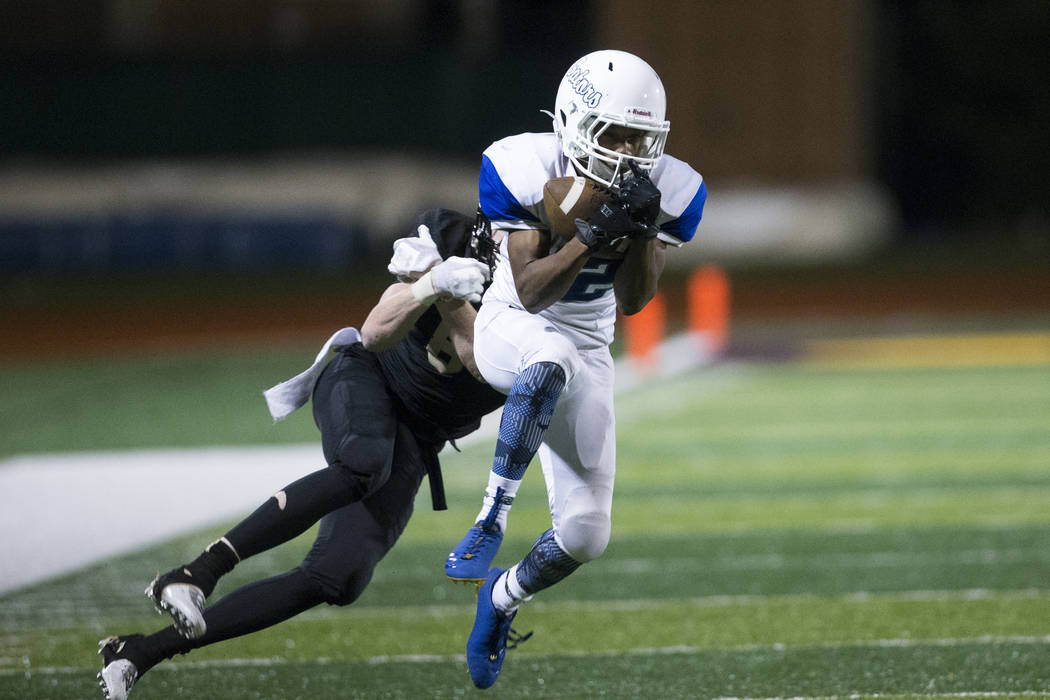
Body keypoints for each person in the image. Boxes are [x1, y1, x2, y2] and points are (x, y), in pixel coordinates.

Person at [97, 208, 507, 700]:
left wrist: (446, 294)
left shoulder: (551, 306)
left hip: (420, 436)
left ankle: (138, 652)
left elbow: (479, 362)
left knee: (337, 575)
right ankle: (198, 573)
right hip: (366, 377)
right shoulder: (449, 233)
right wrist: (428, 284)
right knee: (362, 465)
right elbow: (375, 330)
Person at [442, 49, 708, 689]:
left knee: (587, 534)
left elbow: (635, 301)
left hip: (591, 341)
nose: (628, 151)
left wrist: (640, 229)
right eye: (613, 133)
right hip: (512, 321)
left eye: (641, 137)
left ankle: (501, 597)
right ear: (571, 122)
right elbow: (531, 291)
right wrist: (594, 231)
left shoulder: (676, 188)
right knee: (548, 353)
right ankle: (491, 517)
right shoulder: (523, 163)